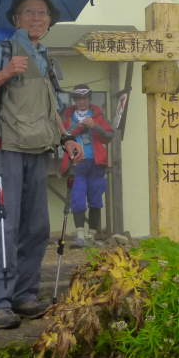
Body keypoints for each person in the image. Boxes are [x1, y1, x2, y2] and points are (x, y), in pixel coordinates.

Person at [0, 0, 83, 330]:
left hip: (38, 150)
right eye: (29, 12)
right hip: (5, 149)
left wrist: (66, 138)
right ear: (16, 19)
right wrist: (3, 74)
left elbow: (51, 107)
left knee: (35, 228)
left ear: (49, 22)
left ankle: (23, 295)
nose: (36, 18)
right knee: (1, 224)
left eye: (43, 13)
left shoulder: (45, 57)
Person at [61, 84, 115, 247]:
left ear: (89, 99)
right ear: (75, 100)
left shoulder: (99, 115)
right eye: (79, 98)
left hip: (96, 163)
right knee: (77, 198)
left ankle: (91, 237)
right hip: (76, 163)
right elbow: (62, 135)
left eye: (84, 98)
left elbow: (109, 136)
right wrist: (80, 126)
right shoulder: (68, 116)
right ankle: (79, 237)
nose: (82, 101)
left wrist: (94, 125)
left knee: (95, 198)